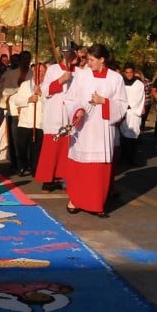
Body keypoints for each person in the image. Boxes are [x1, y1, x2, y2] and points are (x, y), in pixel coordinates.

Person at [63, 44, 128, 218]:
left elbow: (122, 105)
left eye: (92, 60)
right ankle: (75, 200)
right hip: (83, 128)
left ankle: (96, 203)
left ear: (102, 60)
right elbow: (70, 98)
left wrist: (104, 102)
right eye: (88, 59)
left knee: (98, 171)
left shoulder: (115, 79)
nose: (88, 63)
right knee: (80, 166)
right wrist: (78, 110)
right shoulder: (81, 76)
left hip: (102, 129)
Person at [34, 49, 76, 192]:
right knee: (52, 148)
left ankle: (63, 177)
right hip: (55, 114)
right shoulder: (53, 69)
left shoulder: (80, 72)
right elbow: (44, 90)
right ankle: (48, 178)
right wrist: (61, 80)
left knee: (68, 148)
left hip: (71, 115)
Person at [11, 63, 47, 178]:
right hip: (25, 122)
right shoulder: (25, 85)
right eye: (38, 71)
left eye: (42, 71)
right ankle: (22, 166)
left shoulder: (47, 86)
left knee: (36, 149)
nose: (40, 73)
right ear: (33, 72)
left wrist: (41, 94)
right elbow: (17, 101)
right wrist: (29, 99)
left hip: (39, 122)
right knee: (21, 147)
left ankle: (35, 168)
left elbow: (50, 103)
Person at [119, 63, 145, 166]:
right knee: (123, 136)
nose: (129, 75)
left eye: (131, 72)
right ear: (124, 73)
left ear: (134, 72)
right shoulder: (121, 83)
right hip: (123, 112)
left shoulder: (138, 84)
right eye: (127, 73)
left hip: (133, 112)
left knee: (132, 136)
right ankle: (123, 157)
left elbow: (137, 99)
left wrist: (128, 105)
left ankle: (131, 159)